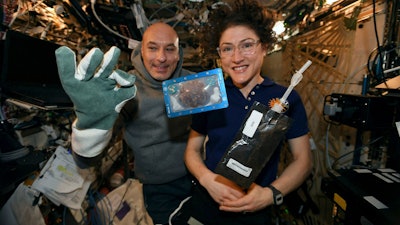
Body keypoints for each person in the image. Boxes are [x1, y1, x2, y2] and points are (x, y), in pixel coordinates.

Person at [170, 0, 313, 224]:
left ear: (265, 46)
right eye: (227, 48)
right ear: (219, 53)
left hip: (255, 211)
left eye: (247, 45)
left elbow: (303, 160)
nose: (237, 57)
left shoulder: (287, 98)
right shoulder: (209, 93)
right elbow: (192, 150)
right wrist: (207, 180)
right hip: (206, 205)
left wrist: (270, 195)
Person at [56, 22, 194, 225]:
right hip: (158, 188)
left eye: (169, 49)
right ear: (141, 51)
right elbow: (85, 161)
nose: (161, 57)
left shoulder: (193, 82)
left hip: (200, 177)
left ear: (178, 54)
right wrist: (91, 126)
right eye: (153, 48)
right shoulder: (126, 90)